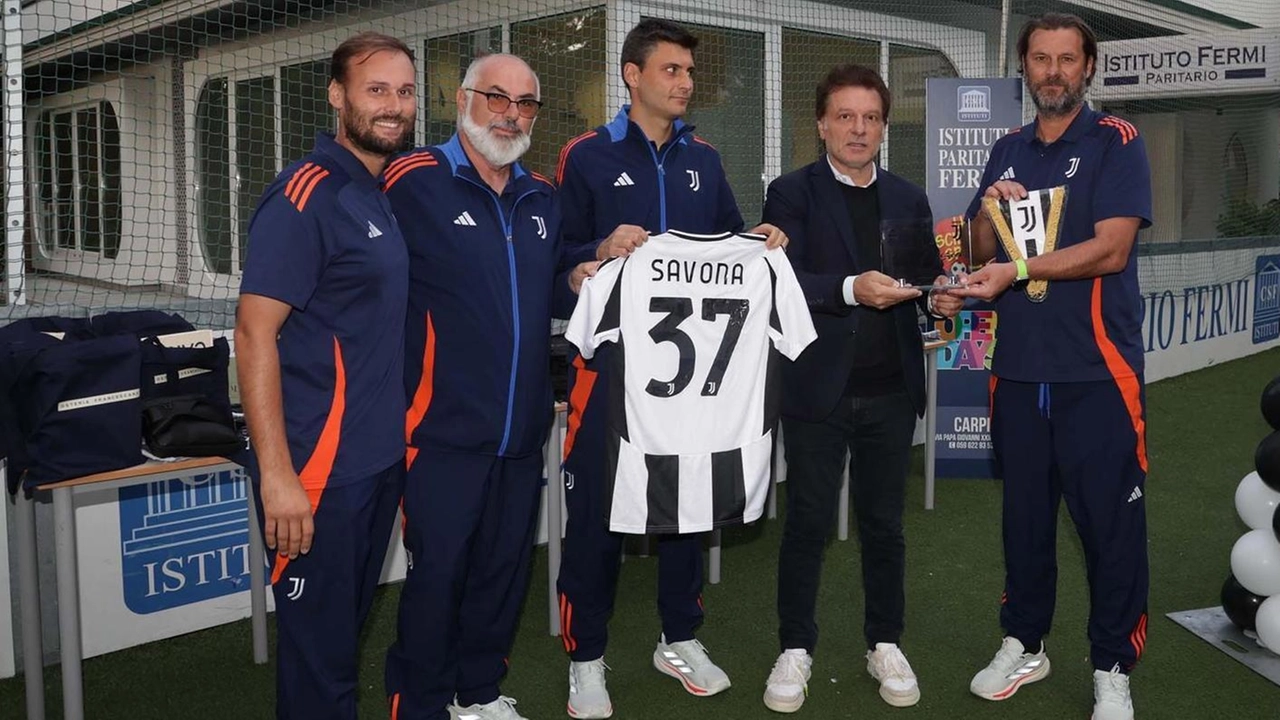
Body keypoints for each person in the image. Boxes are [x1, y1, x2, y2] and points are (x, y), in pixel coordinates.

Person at [553, 18, 787, 719]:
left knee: (689, 508)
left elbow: (728, 245)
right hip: (611, 374)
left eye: (689, 72)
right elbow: (556, 252)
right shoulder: (586, 156)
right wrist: (594, 250)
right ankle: (585, 659)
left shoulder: (705, 159)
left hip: (692, 384)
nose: (686, 83)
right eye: (672, 71)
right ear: (633, 74)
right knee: (595, 516)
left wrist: (763, 241)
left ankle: (679, 637)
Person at [947, 13, 1152, 720]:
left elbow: (1113, 248)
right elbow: (975, 251)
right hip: (1019, 374)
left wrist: (1020, 265)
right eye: (1042, 59)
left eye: (1068, 59)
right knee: (1025, 524)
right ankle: (1026, 644)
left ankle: (1112, 667)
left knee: (1110, 530)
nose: (1054, 71)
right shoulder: (1006, 148)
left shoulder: (1117, 142)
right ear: (1024, 68)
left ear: (1088, 67)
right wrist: (988, 211)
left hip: (1098, 376)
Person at [381, 53, 586, 720]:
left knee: (502, 575)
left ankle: (479, 695)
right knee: (438, 578)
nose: (511, 113)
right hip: (439, 433)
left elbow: (550, 285)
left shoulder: (541, 197)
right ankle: (418, 703)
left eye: (525, 103)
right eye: (497, 97)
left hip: (524, 431)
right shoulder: (412, 181)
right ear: (463, 100)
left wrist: (586, 273)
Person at [757, 63, 962, 713]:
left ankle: (885, 640)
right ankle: (795, 647)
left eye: (871, 117)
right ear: (821, 124)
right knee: (809, 523)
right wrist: (849, 289)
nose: (858, 128)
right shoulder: (789, 194)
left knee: (884, 525)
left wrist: (945, 300)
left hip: (892, 392)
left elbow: (925, 279)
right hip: (817, 391)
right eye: (845, 116)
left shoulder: (908, 197)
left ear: (883, 127)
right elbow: (778, 282)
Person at [234, 32, 415, 720]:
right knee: (320, 666)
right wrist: (279, 477)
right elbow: (253, 334)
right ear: (338, 96)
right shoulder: (305, 194)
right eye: (376, 90)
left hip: (374, 465)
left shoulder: (375, 192)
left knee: (340, 648)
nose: (393, 105)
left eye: (403, 91)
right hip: (315, 475)